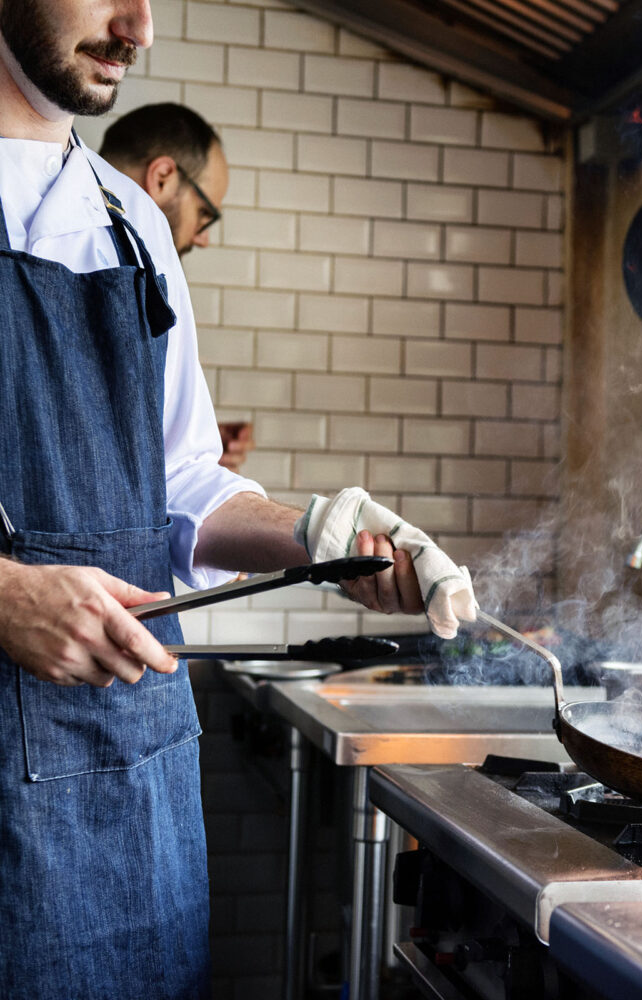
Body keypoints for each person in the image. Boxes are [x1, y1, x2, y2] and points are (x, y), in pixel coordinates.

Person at [0, 3, 474, 999]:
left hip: (131, 788)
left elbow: (179, 486)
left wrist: (317, 534)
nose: (140, 26)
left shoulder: (132, 229)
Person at [99, 102, 252, 471]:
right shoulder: (102, 272)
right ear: (163, 177)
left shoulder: (148, 280)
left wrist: (184, 444)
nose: (203, 239)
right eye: (205, 214)